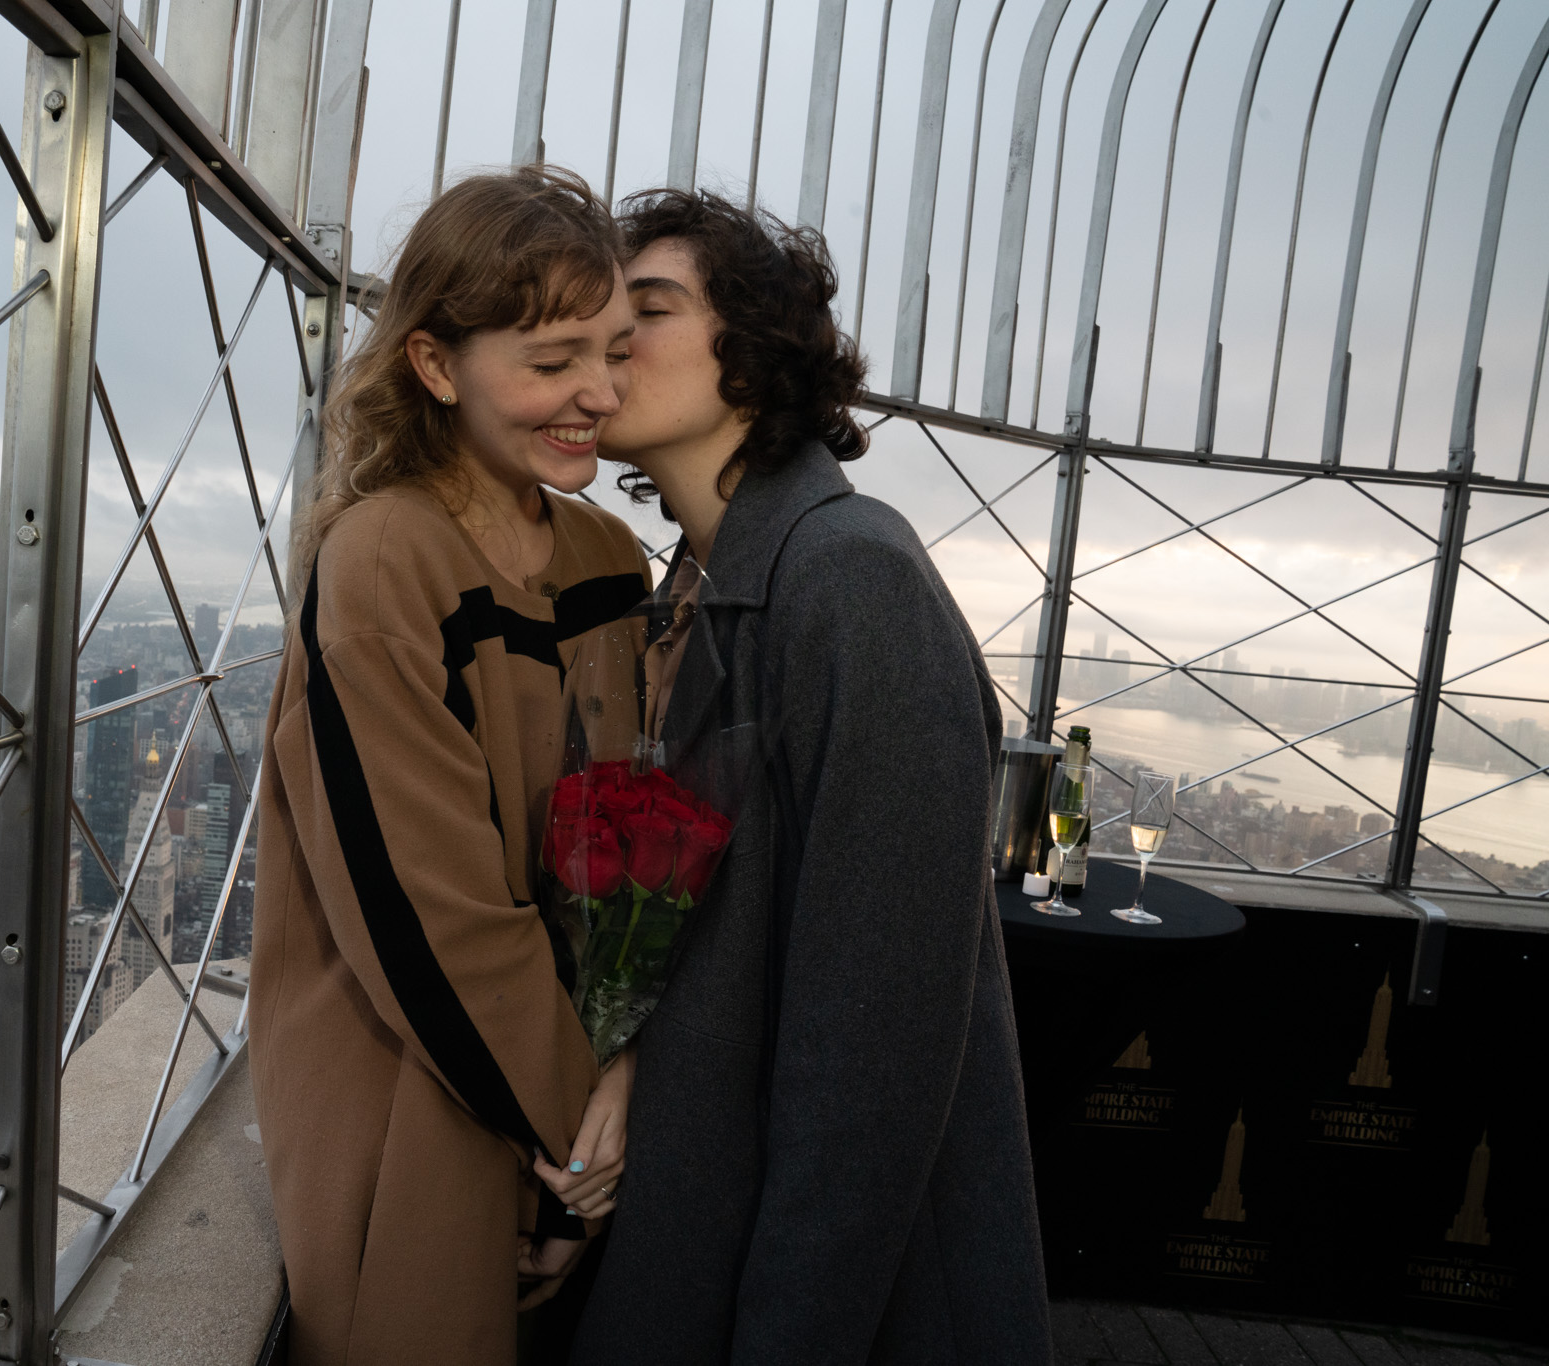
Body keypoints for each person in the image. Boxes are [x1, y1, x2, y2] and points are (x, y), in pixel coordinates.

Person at [571, 189, 1051, 1363]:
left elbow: (870, 1063)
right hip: (699, 1215)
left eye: (651, 305)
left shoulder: (851, 581)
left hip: (830, 1294)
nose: (607, 338)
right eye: (596, 313)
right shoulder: (696, 585)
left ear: (756, 351)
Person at [249, 166, 649, 1366]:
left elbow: (627, 844)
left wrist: (607, 1096)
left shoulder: (603, 551)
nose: (596, 393)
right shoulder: (382, 563)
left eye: (614, 350)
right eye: (550, 359)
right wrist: (580, 1141)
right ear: (434, 364)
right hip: (413, 1105)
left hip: (566, 1105)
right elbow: (428, 917)